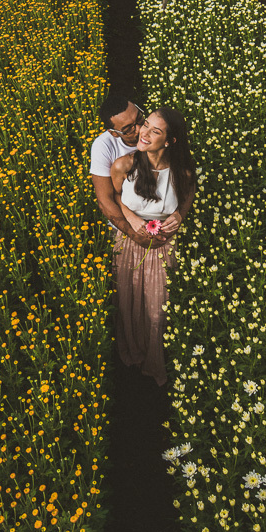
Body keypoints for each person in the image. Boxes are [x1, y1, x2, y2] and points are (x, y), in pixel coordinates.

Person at [109, 107, 196, 386]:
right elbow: (116, 197)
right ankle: (131, 355)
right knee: (128, 301)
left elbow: (187, 196)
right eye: (145, 125)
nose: (143, 133)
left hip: (162, 245)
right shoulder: (125, 165)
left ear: (170, 141)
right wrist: (132, 220)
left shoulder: (181, 170)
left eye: (154, 130)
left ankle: (154, 361)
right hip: (129, 241)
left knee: (157, 310)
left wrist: (179, 216)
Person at [90, 92, 159, 248]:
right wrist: (134, 234)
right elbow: (105, 200)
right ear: (114, 133)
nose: (141, 129)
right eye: (129, 129)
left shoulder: (159, 130)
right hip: (126, 224)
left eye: (140, 119)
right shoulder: (103, 146)